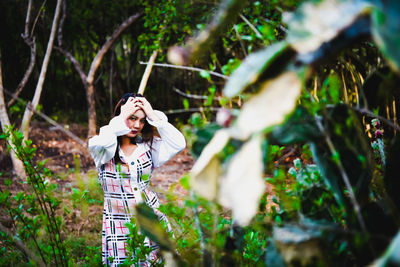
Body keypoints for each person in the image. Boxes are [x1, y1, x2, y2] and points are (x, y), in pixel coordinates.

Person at [88, 93, 186, 266]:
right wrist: (122, 116)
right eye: (132, 118)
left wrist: (152, 115)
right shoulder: (105, 147)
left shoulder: (148, 146)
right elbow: (103, 141)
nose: (137, 125)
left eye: (141, 120)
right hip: (118, 221)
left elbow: (179, 144)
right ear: (121, 114)